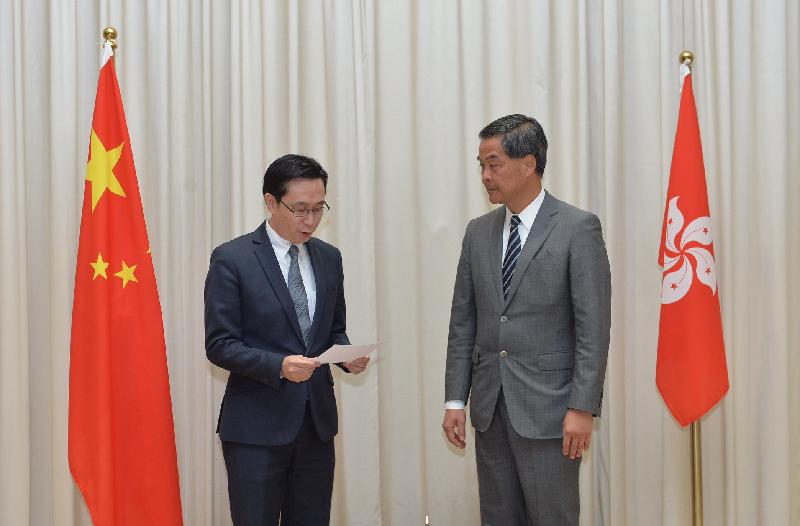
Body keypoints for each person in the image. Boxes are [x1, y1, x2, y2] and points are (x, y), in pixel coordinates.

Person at [442, 114, 611, 525]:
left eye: (493, 163)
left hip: (551, 411)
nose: (485, 175)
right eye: (480, 164)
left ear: (528, 163)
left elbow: (593, 328)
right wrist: (454, 400)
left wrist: (582, 407)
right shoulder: (477, 232)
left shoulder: (577, 228)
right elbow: (463, 321)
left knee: (551, 517)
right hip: (490, 408)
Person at [205, 154, 369, 526]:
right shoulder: (233, 259)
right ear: (270, 201)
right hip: (256, 430)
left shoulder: (329, 258)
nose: (311, 221)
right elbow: (219, 343)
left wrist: (345, 356)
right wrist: (278, 366)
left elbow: (332, 329)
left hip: (316, 425)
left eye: (318, 208)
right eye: (300, 210)